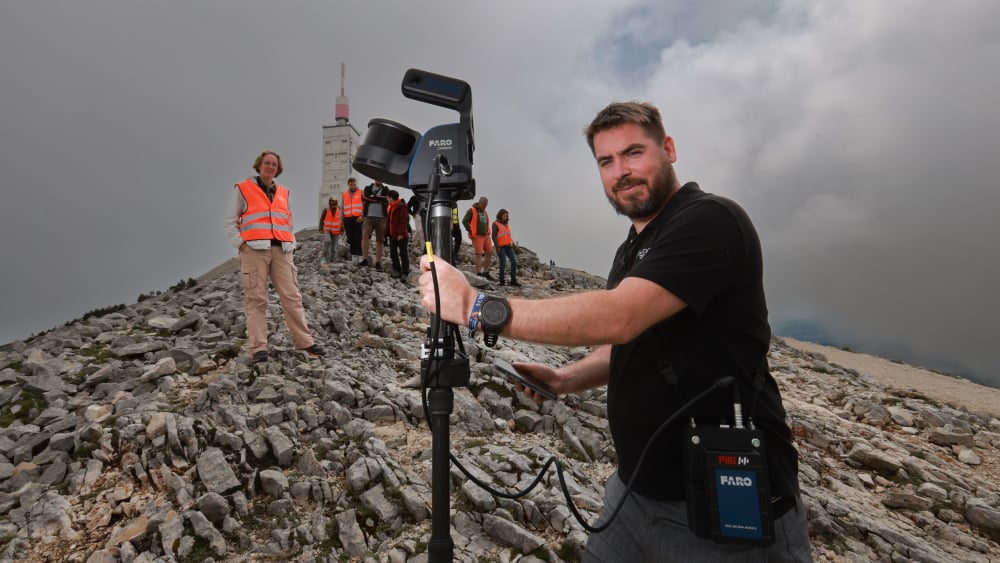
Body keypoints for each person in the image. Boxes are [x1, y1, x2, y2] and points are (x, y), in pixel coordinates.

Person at [417, 102, 811, 561]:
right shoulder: (633, 247)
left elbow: (621, 317)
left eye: (633, 153)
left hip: (720, 502)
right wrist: (566, 379)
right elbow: (629, 342)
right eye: (606, 161)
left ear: (669, 149)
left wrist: (477, 307)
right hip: (633, 493)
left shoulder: (711, 220)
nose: (621, 172)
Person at [225, 150, 325, 363]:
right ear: (259, 165)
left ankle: (304, 342)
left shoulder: (283, 193)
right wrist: (240, 244)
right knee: (256, 299)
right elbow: (230, 219)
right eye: (267, 163)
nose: (270, 166)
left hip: (282, 250)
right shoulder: (243, 188)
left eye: (274, 164)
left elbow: (287, 221)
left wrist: (291, 244)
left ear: (278, 169)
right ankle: (258, 348)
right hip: (254, 250)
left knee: (292, 296)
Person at [462, 196, 494, 280]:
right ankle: (479, 272)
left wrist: (488, 231)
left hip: (486, 235)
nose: (484, 206)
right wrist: (470, 231)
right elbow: (464, 221)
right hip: (477, 236)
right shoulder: (472, 210)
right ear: (479, 203)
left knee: (489, 252)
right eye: (483, 204)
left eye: (486, 205)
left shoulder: (485, 212)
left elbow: (486, 223)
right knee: (479, 254)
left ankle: (486, 272)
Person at [361, 179, 389, 270]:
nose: (378, 179)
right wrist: (379, 199)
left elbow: (386, 199)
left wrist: (374, 197)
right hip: (368, 216)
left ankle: (378, 262)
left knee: (380, 240)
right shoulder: (367, 188)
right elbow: (365, 197)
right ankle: (365, 259)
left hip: (381, 218)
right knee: (365, 236)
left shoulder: (386, 189)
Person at [491, 208, 520, 287]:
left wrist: (512, 244)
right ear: (500, 215)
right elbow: (493, 236)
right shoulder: (495, 224)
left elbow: (508, 235)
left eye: (506, 216)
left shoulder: (506, 224)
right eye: (504, 215)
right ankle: (502, 281)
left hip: (509, 246)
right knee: (503, 263)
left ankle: (513, 281)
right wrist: (497, 246)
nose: (505, 217)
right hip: (500, 247)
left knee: (514, 261)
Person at [387, 190, 410, 280]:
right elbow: (389, 221)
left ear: (391, 198)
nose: (387, 199)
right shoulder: (392, 206)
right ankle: (397, 270)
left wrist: (401, 233)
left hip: (401, 235)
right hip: (393, 234)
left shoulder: (401, 207)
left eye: (388, 198)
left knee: (403, 253)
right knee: (393, 253)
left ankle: (405, 272)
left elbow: (404, 221)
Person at [342, 177, 364, 265]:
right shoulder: (345, 194)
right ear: (348, 185)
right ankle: (354, 255)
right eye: (351, 185)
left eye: (354, 184)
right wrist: (341, 219)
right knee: (350, 238)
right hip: (347, 219)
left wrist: (362, 215)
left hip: (358, 219)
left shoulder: (361, 192)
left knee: (358, 237)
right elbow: (342, 207)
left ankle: (360, 256)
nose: (353, 186)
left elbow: (365, 205)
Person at [318, 196, 342, 264]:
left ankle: (332, 260)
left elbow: (342, 220)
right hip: (327, 230)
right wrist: (320, 228)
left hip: (336, 231)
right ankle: (323, 258)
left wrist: (342, 229)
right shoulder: (326, 210)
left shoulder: (339, 210)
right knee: (327, 241)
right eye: (332, 202)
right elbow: (322, 219)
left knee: (333, 248)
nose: (333, 204)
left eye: (335, 202)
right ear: (329, 203)